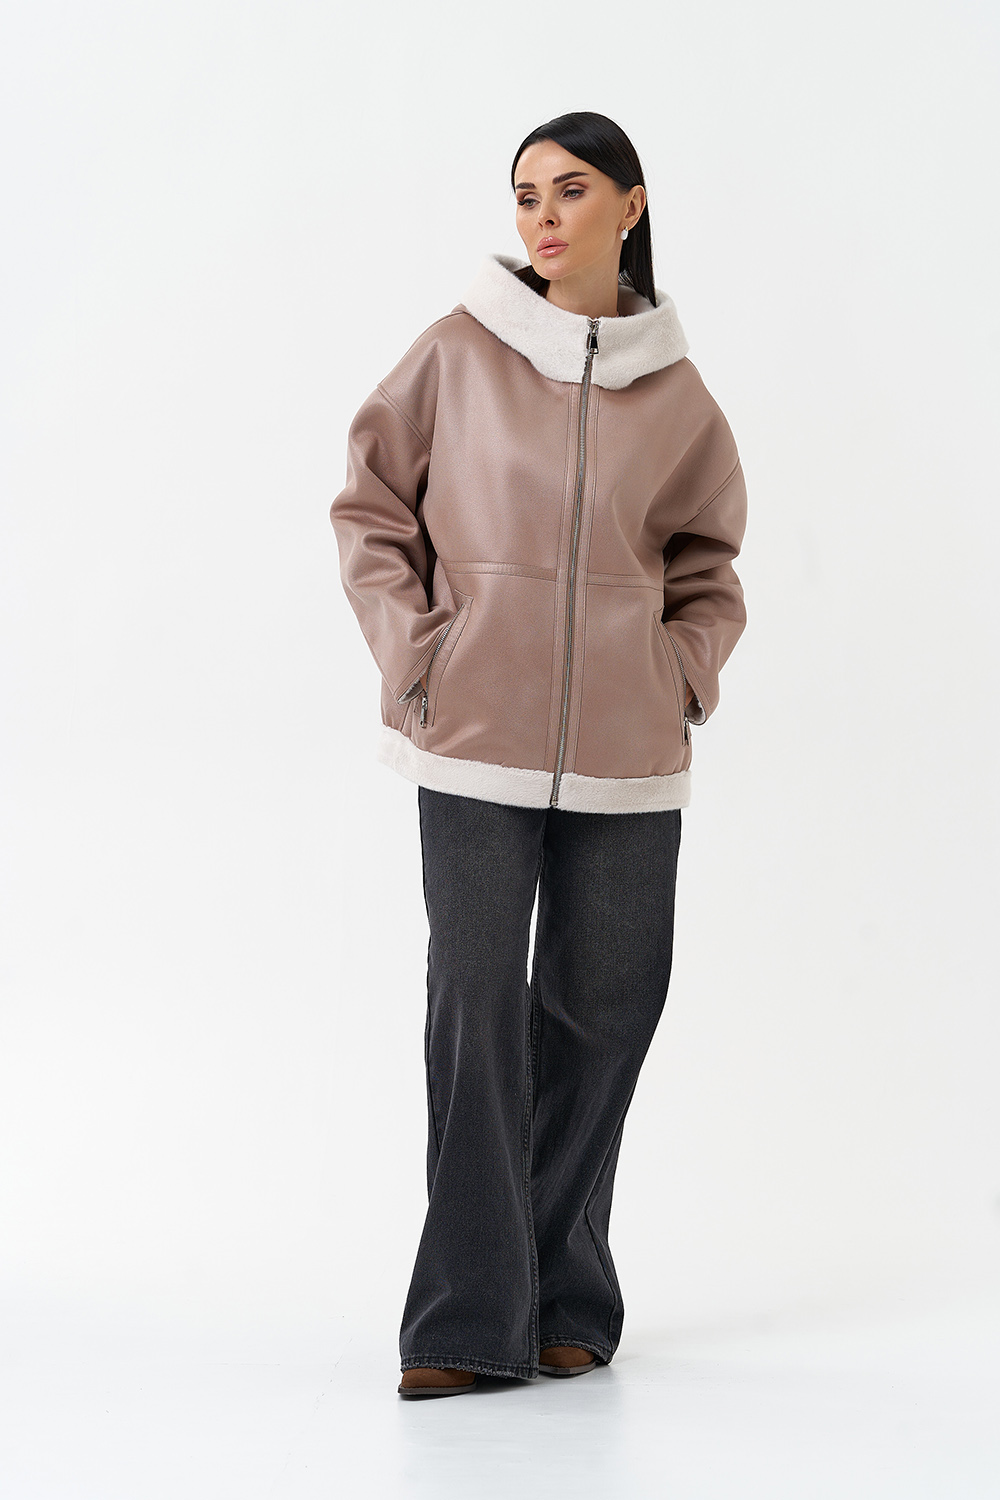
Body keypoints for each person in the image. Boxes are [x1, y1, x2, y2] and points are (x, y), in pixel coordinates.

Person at [329, 111, 748, 1399]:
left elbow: (708, 567)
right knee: (476, 1007)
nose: (543, 217)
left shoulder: (679, 395)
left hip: (629, 752)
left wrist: (680, 674)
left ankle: (563, 1287)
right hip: (473, 738)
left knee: (607, 1008)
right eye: (524, 196)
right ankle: (465, 1318)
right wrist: (417, 655)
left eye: (570, 191)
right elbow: (370, 508)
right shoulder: (457, 353)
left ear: (631, 204)